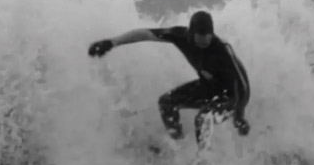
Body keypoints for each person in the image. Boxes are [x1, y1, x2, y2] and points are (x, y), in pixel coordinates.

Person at [87, 10, 251, 146]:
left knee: (202, 119)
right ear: (191, 34)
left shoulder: (222, 50)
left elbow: (242, 85)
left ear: (212, 35)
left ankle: (204, 163)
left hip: (233, 96)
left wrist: (239, 115)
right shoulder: (180, 36)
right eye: (200, 44)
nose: (203, 47)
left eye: (207, 43)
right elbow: (145, 34)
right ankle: (178, 145)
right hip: (208, 87)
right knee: (166, 103)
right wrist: (113, 42)